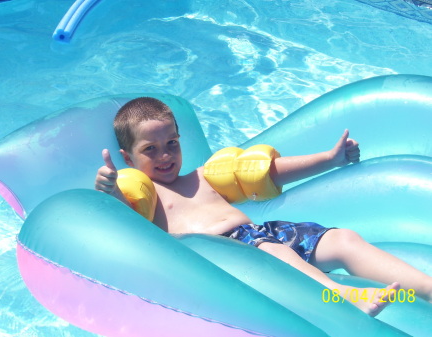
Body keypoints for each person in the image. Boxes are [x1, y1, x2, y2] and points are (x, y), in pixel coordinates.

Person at [95, 97, 432, 316]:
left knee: (344, 240)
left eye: (171, 143)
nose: (165, 156)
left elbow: (264, 173)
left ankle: (426, 290)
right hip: (232, 252)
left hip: (266, 233)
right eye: (150, 149)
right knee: (273, 251)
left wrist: (331, 159)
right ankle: (344, 296)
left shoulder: (204, 176)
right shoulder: (145, 195)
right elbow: (125, 216)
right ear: (128, 158)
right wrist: (110, 190)